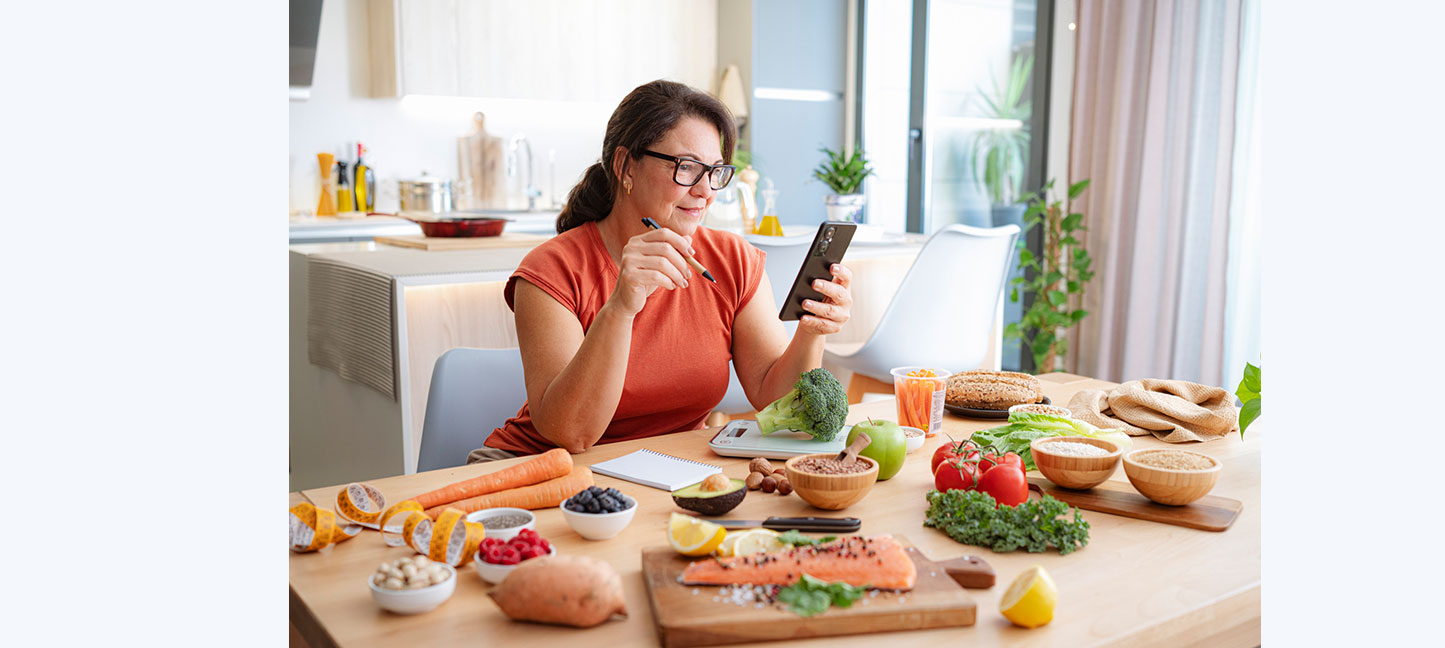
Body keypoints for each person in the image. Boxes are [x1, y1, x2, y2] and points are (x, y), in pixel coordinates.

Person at [469, 80, 853, 461]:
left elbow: (778, 402)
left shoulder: (733, 260)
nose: (706, 191)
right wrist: (620, 308)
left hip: (663, 468)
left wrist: (810, 331)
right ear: (625, 166)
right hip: (538, 468)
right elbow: (571, 433)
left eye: (715, 172)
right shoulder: (551, 270)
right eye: (687, 168)